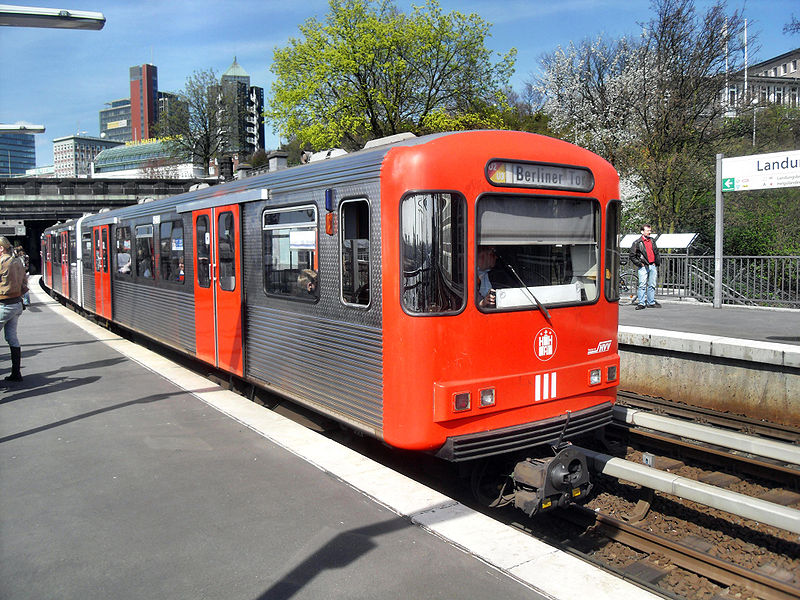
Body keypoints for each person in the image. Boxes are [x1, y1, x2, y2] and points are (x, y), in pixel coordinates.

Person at [0, 237, 27, 381]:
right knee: (12, 338)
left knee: (11, 337)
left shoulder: (2, 262)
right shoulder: (18, 261)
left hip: (4, 304)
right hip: (16, 304)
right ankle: (16, 373)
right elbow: (24, 283)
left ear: (1, 248)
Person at [629, 224, 661, 310]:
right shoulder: (637, 243)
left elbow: (656, 252)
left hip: (652, 265)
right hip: (643, 266)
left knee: (652, 285)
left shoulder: (652, 241)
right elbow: (632, 256)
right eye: (647, 231)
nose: (649, 232)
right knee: (642, 285)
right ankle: (641, 303)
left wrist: (656, 262)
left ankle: (651, 302)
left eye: (650, 231)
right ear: (642, 232)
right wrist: (640, 264)